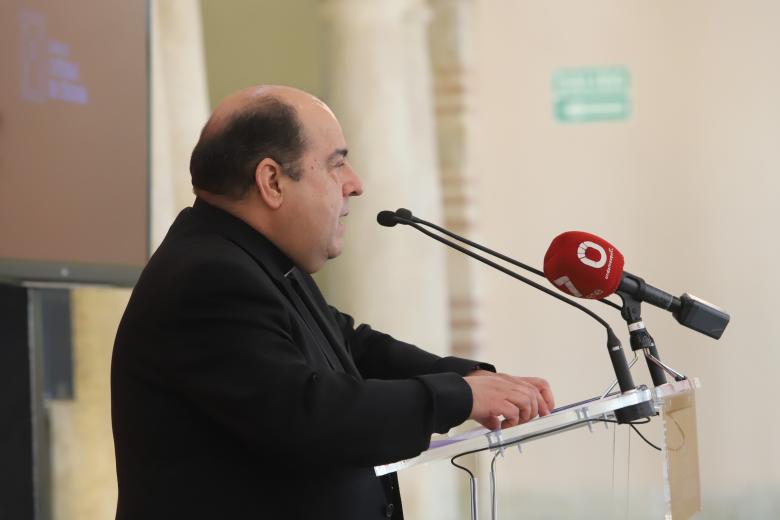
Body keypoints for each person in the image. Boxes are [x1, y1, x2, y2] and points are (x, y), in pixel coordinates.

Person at [111, 85, 554, 520]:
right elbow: (309, 416)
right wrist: (457, 396)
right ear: (272, 181)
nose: (355, 184)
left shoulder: (247, 258)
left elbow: (351, 348)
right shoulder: (209, 277)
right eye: (336, 164)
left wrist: (465, 376)